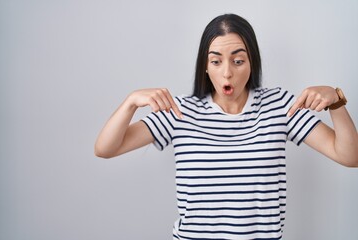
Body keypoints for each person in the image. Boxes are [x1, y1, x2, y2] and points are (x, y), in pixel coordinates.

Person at [95, 14, 358, 240]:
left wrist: (336, 101)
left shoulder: (279, 105)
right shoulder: (179, 111)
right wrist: (130, 102)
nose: (227, 73)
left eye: (238, 60)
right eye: (216, 61)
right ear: (205, 67)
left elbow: (349, 156)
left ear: (252, 62)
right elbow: (106, 148)